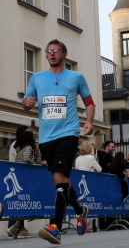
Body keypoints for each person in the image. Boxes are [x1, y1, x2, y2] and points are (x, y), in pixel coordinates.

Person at [22, 39, 93, 244]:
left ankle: (55, 227)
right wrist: (26, 102)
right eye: (49, 51)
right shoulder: (37, 78)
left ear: (64, 54)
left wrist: (89, 121)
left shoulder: (76, 77)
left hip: (68, 133)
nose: (52, 54)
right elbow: (26, 102)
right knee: (62, 181)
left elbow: (89, 102)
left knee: (59, 179)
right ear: (46, 55)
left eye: (56, 50)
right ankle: (80, 211)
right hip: (46, 137)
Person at [7, 130, 40, 239]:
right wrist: (35, 164)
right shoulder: (28, 148)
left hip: (20, 178)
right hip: (27, 179)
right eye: (33, 137)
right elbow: (27, 159)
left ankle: (17, 227)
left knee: (21, 203)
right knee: (29, 202)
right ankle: (16, 226)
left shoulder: (20, 148)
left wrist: (37, 149)